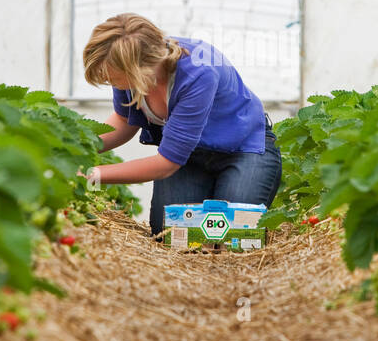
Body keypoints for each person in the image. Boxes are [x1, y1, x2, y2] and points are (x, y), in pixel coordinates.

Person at [81, 13, 282, 238]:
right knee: (169, 234)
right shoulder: (130, 68)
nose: (110, 81)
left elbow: (167, 163)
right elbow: (124, 120)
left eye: (112, 77)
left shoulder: (198, 73)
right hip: (190, 155)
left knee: (231, 233)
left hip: (242, 149)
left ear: (139, 68)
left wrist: (93, 174)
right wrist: (78, 148)